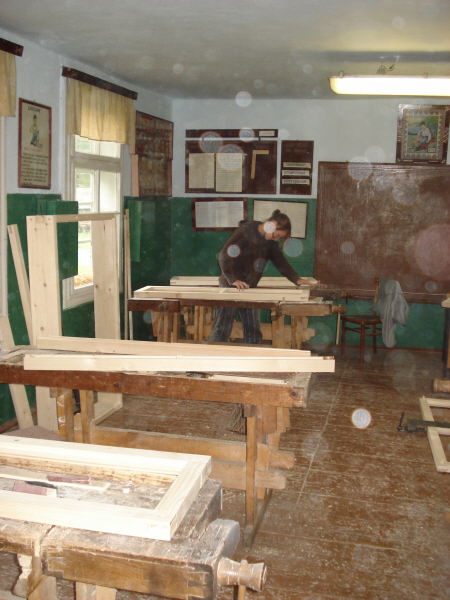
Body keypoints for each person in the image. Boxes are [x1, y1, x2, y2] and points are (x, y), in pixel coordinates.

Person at [209, 209, 314, 344]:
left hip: (249, 286)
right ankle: (214, 352)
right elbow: (223, 255)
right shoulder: (246, 231)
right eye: (276, 235)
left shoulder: (271, 243)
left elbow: (280, 262)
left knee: (253, 329)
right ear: (272, 224)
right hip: (231, 284)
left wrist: (296, 279)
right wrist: (233, 279)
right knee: (222, 326)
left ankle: (254, 355)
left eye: (279, 237)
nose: (276, 238)